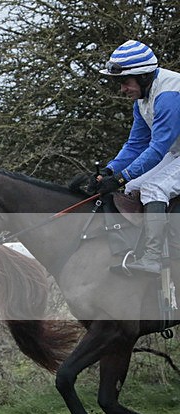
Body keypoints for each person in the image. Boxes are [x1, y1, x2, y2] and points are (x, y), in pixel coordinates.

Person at [96, 40, 180, 275]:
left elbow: (157, 149)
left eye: (125, 82)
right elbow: (135, 145)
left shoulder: (169, 95)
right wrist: (110, 171)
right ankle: (137, 250)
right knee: (132, 186)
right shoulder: (143, 98)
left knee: (154, 188)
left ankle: (153, 258)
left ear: (143, 77)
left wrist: (121, 177)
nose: (122, 89)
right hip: (175, 152)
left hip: (170, 151)